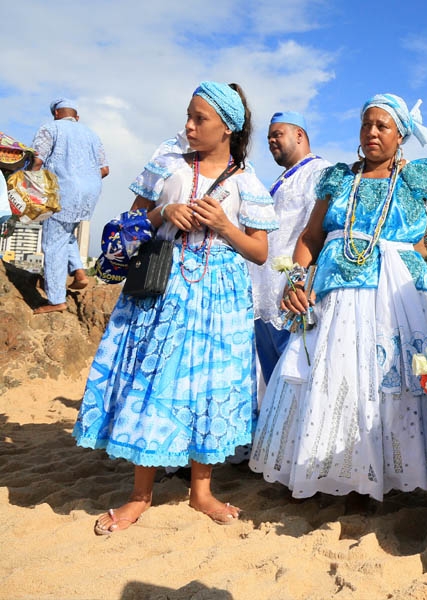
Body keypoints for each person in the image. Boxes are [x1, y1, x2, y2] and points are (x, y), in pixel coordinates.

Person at [249, 94, 427, 502]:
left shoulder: (416, 177)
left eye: (383, 126)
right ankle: (330, 473)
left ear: (400, 136)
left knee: (386, 381)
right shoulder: (339, 178)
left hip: (394, 294)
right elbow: (310, 237)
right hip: (334, 292)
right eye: (367, 125)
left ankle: (389, 477)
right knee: (333, 375)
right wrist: (296, 279)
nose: (373, 132)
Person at [74, 81, 277, 534]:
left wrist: (224, 225)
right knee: (153, 378)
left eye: (199, 118)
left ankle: (201, 492)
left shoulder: (247, 182)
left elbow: (260, 252)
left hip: (220, 297)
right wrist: (162, 215)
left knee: (209, 383)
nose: (188, 125)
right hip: (162, 288)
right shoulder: (165, 165)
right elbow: (125, 225)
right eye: (188, 115)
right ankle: (138, 496)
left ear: (227, 128)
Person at [250, 111, 332, 383]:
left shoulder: (320, 172)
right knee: (272, 386)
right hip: (264, 297)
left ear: (299, 135)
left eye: (277, 134)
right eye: (269, 137)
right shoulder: (280, 180)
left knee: (294, 383)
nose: (272, 141)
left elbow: (316, 233)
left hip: (292, 296)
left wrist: (300, 280)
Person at [31, 98, 109, 314]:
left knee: (53, 243)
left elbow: (37, 160)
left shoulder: (50, 128)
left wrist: (29, 182)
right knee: (66, 232)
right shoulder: (92, 135)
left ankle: (56, 300)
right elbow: (105, 170)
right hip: (89, 193)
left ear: (56, 113)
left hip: (63, 190)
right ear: (76, 116)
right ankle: (79, 272)